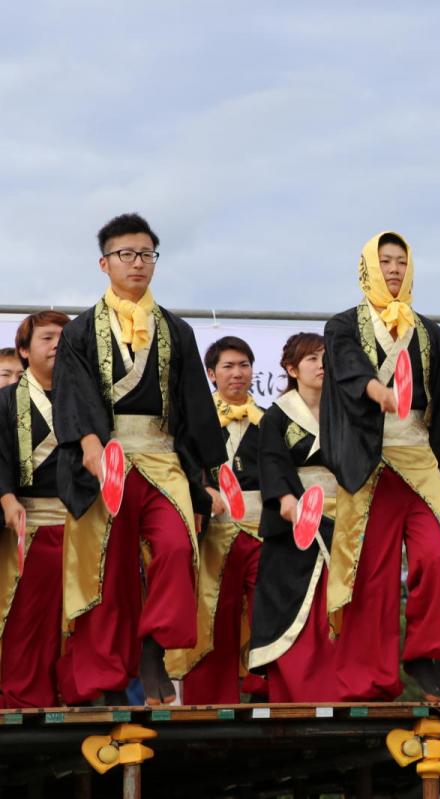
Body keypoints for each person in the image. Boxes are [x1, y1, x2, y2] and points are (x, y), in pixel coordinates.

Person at [53, 213, 225, 706]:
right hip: (104, 461)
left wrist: (207, 476)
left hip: (162, 458)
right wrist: (88, 445)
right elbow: (75, 395)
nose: (138, 263)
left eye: (147, 254)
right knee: (107, 573)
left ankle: (154, 648)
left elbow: (193, 407)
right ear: (104, 263)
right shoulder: (81, 331)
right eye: (126, 254)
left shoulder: (177, 330)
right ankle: (102, 683)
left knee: (176, 547)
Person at [321, 231, 440, 701]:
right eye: (385, 262)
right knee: (372, 572)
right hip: (370, 459)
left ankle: (423, 654)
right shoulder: (343, 325)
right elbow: (345, 367)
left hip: (419, 456)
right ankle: (369, 679)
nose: (395, 270)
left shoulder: (429, 331)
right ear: (368, 268)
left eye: (401, 261)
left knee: (437, 554)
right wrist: (376, 391)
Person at [166, 336, 267, 702]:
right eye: (228, 366)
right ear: (210, 373)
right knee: (212, 617)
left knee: (267, 613)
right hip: (212, 533)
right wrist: (201, 493)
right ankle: (210, 700)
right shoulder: (193, 422)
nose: (237, 373)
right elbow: (180, 466)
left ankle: (265, 693)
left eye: (244, 365)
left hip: (263, 533)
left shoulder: (271, 421)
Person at [247, 333, 341, 702]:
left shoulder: (344, 411)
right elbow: (270, 460)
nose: (321, 366)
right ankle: (294, 688)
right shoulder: (276, 415)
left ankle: (341, 686)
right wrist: (287, 498)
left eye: (325, 359)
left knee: (338, 605)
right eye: (312, 359)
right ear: (291, 369)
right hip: (295, 521)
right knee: (294, 605)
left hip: (344, 518)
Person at [0, 311, 70, 707]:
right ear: (25, 351)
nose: (57, 343)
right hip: (29, 522)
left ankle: (79, 696)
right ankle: (23, 699)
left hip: (82, 524)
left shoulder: (86, 400)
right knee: (29, 620)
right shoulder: (6, 402)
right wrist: (8, 499)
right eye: (47, 337)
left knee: (81, 621)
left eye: (64, 336)